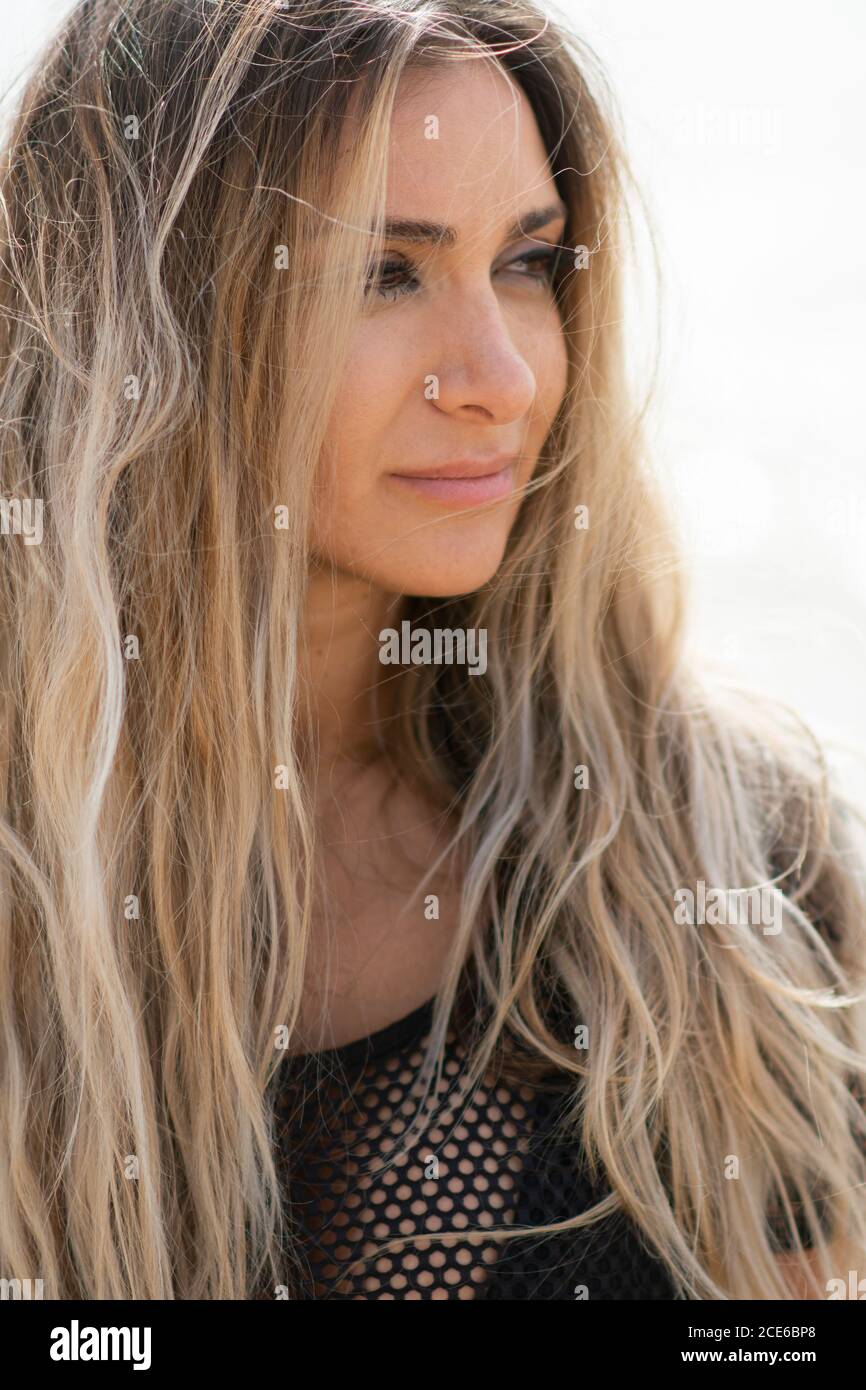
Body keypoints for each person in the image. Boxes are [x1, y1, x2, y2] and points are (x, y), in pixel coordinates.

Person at [0, 0, 863, 1301]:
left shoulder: (722, 862)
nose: (501, 375)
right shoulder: (33, 885)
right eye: (384, 273)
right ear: (151, 315)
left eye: (527, 262)